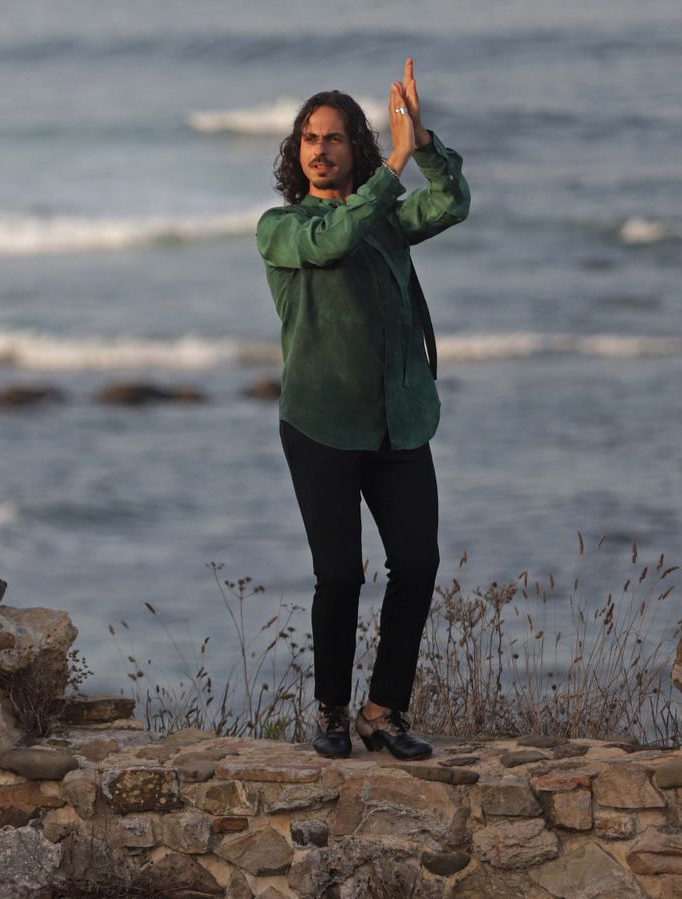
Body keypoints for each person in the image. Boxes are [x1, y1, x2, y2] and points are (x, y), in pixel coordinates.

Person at [255, 59, 470, 760]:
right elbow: (334, 240)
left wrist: (422, 141)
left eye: (335, 137)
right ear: (297, 151)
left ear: (356, 148)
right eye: (309, 138)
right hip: (320, 424)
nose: (319, 149)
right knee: (341, 575)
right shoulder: (281, 228)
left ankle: (384, 710)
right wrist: (394, 165)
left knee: (418, 564)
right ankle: (331, 711)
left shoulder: (384, 222)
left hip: (397, 423)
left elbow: (451, 203)